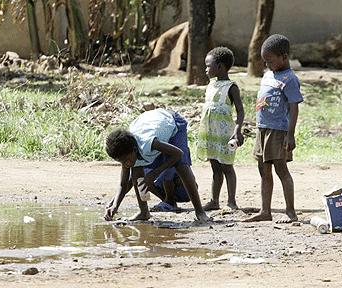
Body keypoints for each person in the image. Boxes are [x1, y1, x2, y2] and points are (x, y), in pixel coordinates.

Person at [104, 108, 210, 223]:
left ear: (134, 150)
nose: (126, 164)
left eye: (127, 160)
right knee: (136, 174)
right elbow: (123, 183)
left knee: (181, 165)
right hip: (149, 122)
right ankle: (144, 212)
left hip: (173, 122)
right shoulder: (126, 154)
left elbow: (178, 154)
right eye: (122, 162)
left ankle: (200, 211)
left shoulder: (147, 143)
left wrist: (154, 174)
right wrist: (115, 205)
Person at [244, 34, 304, 223]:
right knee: (263, 170)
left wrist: (290, 135)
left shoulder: (290, 79)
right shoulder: (269, 74)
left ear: (284, 57)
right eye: (265, 61)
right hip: (263, 129)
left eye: (270, 61)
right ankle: (265, 211)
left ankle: (290, 211)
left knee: (281, 169)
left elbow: (294, 106)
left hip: (278, 131)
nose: (267, 64)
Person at [197, 46, 244, 211]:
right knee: (215, 167)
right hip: (211, 134)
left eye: (208, 65)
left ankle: (231, 201)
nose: (206, 69)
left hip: (225, 135)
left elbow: (240, 110)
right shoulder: (210, 85)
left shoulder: (231, 87)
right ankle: (214, 201)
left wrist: (237, 131)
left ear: (220, 67)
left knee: (227, 167)